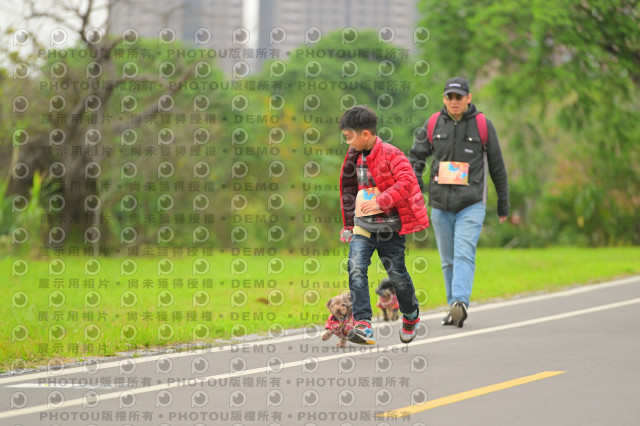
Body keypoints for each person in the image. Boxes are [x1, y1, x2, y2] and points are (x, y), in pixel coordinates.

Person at [408, 77, 509, 328]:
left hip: (471, 203)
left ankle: (460, 302)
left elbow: (497, 166)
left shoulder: (482, 125)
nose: (454, 101)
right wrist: (417, 189)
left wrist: (503, 204)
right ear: (444, 99)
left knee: (464, 253)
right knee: (448, 260)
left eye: (459, 97)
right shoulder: (433, 123)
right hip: (440, 204)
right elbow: (415, 157)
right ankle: (453, 307)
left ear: (468, 98)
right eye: (450, 97)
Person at [338, 105, 429, 344]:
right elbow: (350, 190)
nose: (347, 143)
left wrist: (381, 201)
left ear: (365, 134)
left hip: (390, 229)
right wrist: (349, 225)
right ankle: (363, 324)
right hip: (363, 227)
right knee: (355, 268)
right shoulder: (353, 156)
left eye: (350, 137)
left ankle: (411, 315)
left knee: (397, 276)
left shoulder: (391, 154)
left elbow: (407, 182)